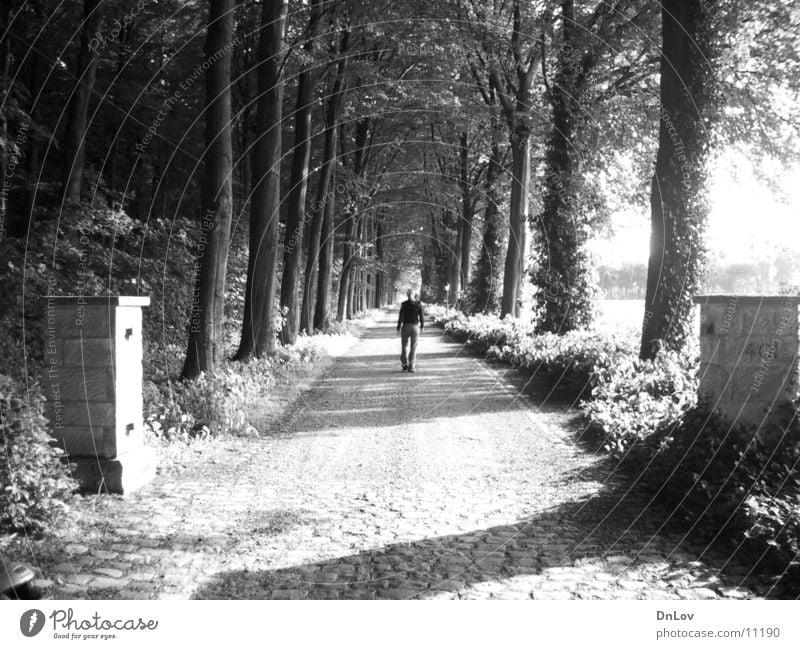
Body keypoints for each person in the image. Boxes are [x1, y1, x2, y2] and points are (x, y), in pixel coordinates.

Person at [397, 289, 424, 372]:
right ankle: (411, 367)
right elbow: (421, 316)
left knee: (404, 346)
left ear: (407, 295)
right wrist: (422, 326)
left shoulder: (404, 304)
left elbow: (401, 316)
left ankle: (404, 365)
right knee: (413, 348)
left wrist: (398, 327)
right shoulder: (418, 304)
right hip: (415, 327)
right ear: (414, 294)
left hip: (405, 327)